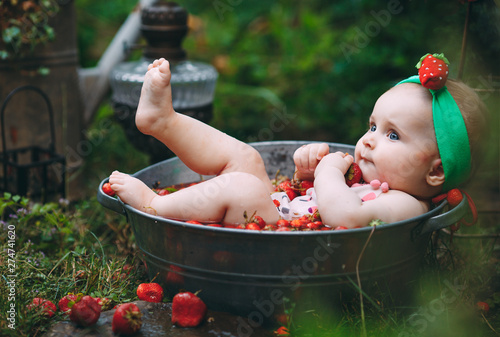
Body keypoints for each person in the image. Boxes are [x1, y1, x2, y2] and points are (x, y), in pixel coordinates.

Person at [108, 56, 486, 228]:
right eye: (372, 126)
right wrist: (307, 173)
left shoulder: (406, 205)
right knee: (246, 157)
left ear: (435, 172)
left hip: (273, 237)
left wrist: (327, 172)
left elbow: (345, 217)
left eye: (392, 135)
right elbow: (312, 199)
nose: (368, 141)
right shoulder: (367, 177)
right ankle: (164, 121)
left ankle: (156, 206)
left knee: (242, 186)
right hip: (277, 211)